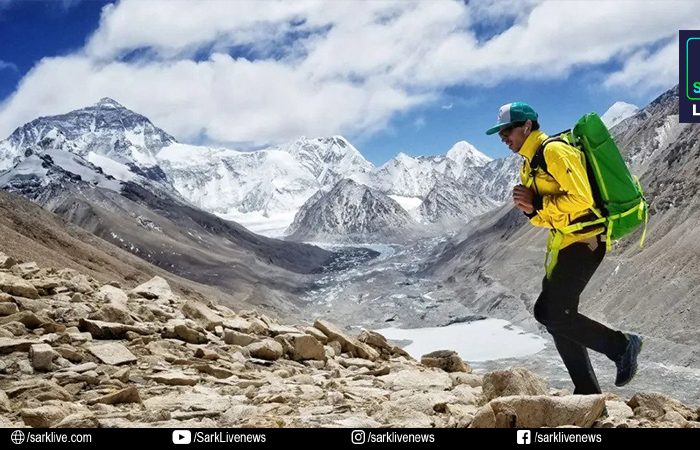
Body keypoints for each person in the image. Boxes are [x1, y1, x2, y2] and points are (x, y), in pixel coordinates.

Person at [485, 102, 643, 394]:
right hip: (565, 242)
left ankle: (622, 346)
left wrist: (538, 204)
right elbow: (544, 217)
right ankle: (586, 391)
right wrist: (532, 211)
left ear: (527, 126)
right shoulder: (528, 164)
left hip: (585, 242)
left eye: (507, 130)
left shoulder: (553, 152)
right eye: (500, 133)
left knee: (551, 312)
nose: (503, 137)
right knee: (555, 314)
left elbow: (582, 199)